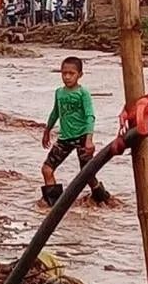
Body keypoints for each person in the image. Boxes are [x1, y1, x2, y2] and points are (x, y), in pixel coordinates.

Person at [41, 56, 110, 206]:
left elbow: (90, 116)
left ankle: (102, 199)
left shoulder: (83, 93)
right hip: (64, 138)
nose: (67, 77)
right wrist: (47, 130)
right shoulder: (59, 92)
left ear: (80, 75)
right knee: (47, 169)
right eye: (64, 73)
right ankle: (55, 205)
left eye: (71, 73)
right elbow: (55, 112)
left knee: (87, 175)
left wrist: (89, 140)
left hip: (82, 138)